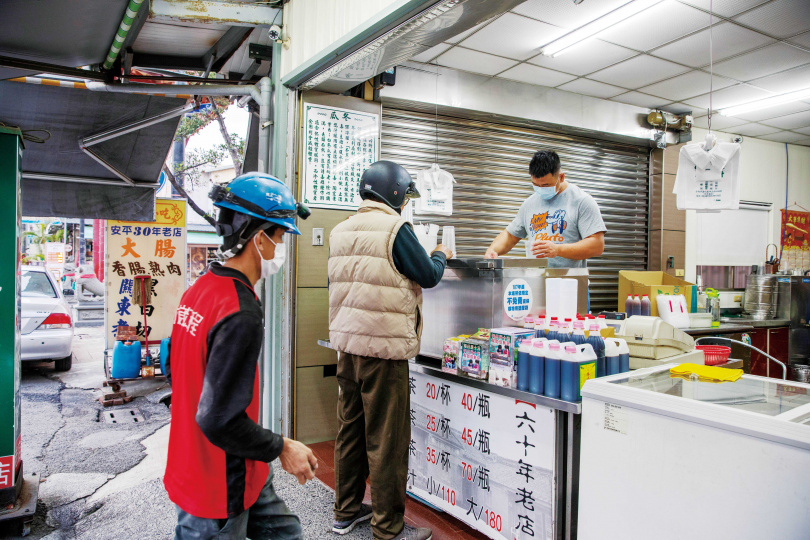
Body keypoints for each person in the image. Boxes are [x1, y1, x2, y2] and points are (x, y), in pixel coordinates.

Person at [164, 172, 317, 540]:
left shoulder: (201, 287)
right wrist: (282, 446)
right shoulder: (240, 310)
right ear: (258, 237)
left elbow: (173, 367)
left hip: (231, 464)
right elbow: (218, 419)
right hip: (217, 481)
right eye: (280, 235)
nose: (281, 245)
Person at [328, 161, 452, 540]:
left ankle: (345, 511)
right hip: (383, 350)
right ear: (395, 195)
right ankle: (388, 528)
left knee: (350, 430)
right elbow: (428, 275)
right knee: (387, 438)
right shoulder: (395, 228)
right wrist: (441, 253)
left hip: (347, 348)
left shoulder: (340, 229)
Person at [485, 150, 606, 266]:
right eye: (535, 185)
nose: (540, 189)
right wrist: (493, 250)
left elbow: (597, 245)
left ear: (561, 177)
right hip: (537, 281)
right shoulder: (529, 204)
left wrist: (558, 249)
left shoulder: (581, 201)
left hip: (569, 282)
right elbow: (511, 236)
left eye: (546, 185)